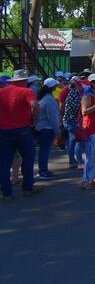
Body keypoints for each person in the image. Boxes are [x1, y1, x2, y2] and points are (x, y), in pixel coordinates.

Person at [0, 70, 43, 200]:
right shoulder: (26, 91)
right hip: (23, 129)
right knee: (28, 158)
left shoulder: (2, 92)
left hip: (3, 130)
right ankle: (27, 187)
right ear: (24, 81)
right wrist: (34, 121)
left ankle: (7, 191)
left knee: (4, 161)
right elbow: (34, 106)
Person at [35, 78, 61, 180]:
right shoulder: (49, 99)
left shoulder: (42, 97)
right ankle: (43, 171)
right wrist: (57, 130)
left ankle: (42, 170)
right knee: (44, 151)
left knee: (43, 150)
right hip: (47, 128)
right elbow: (52, 117)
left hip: (41, 127)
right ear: (52, 87)